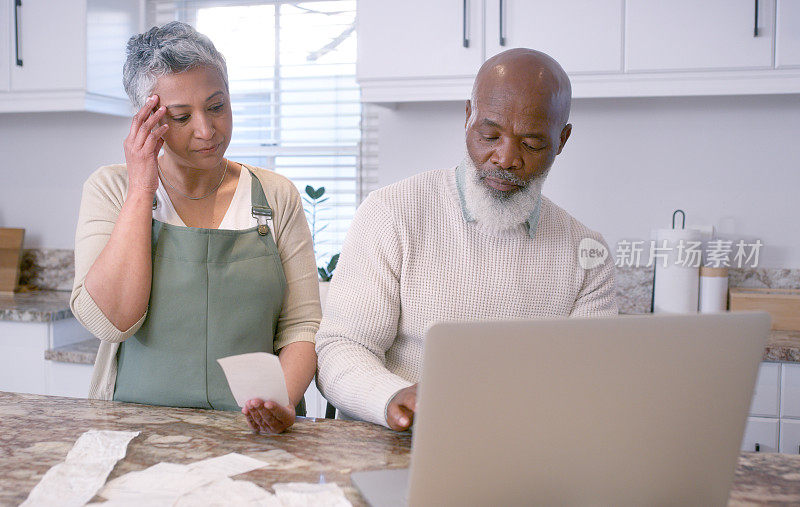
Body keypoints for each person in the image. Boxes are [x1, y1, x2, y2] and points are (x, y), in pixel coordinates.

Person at [315, 48, 618, 431]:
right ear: (467, 118)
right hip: (396, 443)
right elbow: (341, 348)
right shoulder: (392, 213)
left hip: (522, 452)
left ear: (562, 140)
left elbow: (589, 381)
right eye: (489, 135)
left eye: (532, 144)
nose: (505, 158)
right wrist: (392, 397)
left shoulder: (586, 254)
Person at [70, 22, 320, 434]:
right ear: (146, 120)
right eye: (181, 117)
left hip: (254, 431)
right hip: (133, 429)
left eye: (217, 106)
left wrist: (279, 404)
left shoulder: (275, 197)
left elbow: (302, 326)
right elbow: (111, 321)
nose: (206, 130)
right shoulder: (112, 190)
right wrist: (141, 189)